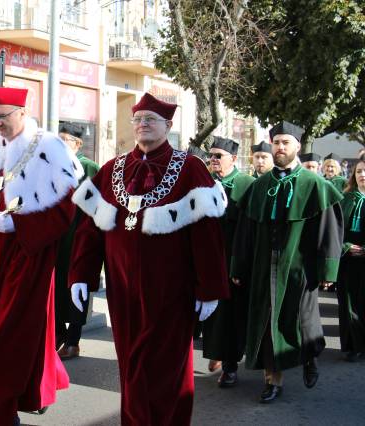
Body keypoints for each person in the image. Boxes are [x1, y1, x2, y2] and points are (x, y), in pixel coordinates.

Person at [69, 93, 229, 425]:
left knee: (161, 370)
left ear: (168, 126)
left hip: (171, 292)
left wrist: (210, 287)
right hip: (122, 291)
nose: (143, 125)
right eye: (138, 119)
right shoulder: (113, 168)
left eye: (151, 120)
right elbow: (89, 230)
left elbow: (207, 236)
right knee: (131, 366)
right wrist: (80, 274)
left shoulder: (191, 168)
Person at [0, 87, 79, 425]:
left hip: (29, 254)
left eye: (3, 116)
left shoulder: (48, 147)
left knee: (7, 336)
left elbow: (65, 207)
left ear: (22, 113)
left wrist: (21, 224)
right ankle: (10, 399)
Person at [230, 121, 343, 404]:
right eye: (277, 142)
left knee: (305, 322)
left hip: (299, 268)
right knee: (269, 325)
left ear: (297, 147)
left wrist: (328, 269)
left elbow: (328, 231)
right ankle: (273, 381)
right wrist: (238, 267)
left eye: (286, 143)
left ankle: (310, 356)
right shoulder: (260, 187)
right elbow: (245, 232)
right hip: (263, 269)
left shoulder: (315, 184)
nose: (280, 147)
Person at [202, 137, 254, 388]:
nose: (213, 160)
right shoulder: (204, 182)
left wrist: (240, 265)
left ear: (233, 159)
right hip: (206, 258)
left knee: (230, 315)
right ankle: (215, 352)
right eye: (211, 156)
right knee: (210, 312)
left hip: (233, 259)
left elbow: (249, 231)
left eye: (218, 156)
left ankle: (230, 365)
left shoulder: (246, 185)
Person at [54, 122, 99, 360]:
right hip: (57, 236)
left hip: (80, 235)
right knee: (57, 286)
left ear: (78, 144)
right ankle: (58, 333)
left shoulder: (90, 168)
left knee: (76, 286)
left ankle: (73, 340)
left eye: (66, 140)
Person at [336, 157, 365, 362]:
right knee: (348, 304)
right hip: (348, 259)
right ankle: (353, 345)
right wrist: (346, 246)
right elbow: (335, 229)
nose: (362, 175)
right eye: (359, 172)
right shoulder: (345, 198)